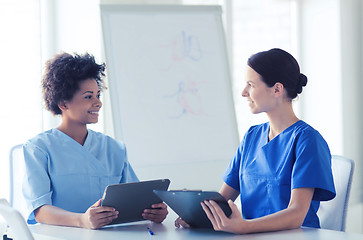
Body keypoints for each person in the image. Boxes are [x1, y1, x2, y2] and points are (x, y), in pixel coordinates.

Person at [175, 48, 336, 234]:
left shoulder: (307, 140)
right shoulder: (251, 136)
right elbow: (223, 199)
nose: (244, 92)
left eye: (251, 84)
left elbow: (296, 214)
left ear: (277, 89)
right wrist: (196, 215)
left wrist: (245, 227)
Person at [22, 52, 168, 229]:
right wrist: (81, 220)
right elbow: (40, 210)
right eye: (88, 96)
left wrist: (153, 211)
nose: (98, 103)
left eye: (98, 95)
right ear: (63, 103)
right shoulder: (39, 148)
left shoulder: (114, 148)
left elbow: (134, 199)